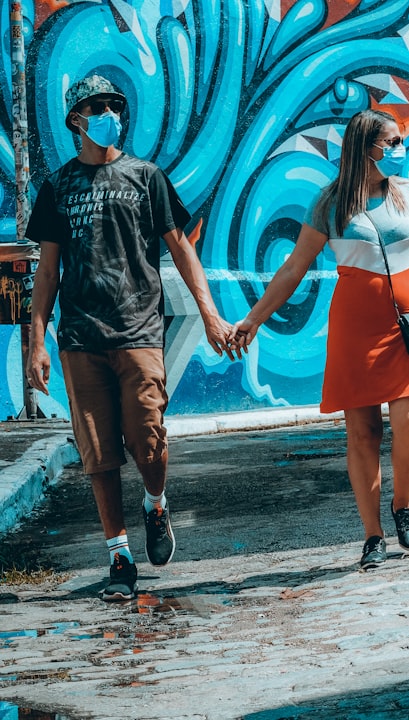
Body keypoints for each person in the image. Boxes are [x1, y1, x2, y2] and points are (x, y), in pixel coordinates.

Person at [25, 74, 238, 602]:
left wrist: (210, 316)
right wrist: (36, 340)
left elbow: (181, 248)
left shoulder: (146, 177)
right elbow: (47, 272)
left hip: (140, 331)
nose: (107, 115)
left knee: (148, 439)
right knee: (98, 453)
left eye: (113, 106)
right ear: (76, 119)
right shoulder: (56, 187)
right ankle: (118, 553)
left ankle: (156, 502)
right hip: (80, 338)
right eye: (95, 107)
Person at [233, 109, 409, 570]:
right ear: (364, 148)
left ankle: (402, 504)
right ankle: (373, 535)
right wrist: (253, 319)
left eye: (399, 142)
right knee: (363, 432)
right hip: (355, 330)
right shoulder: (330, 203)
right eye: (390, 143)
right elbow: (294, 268)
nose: (399, 150)